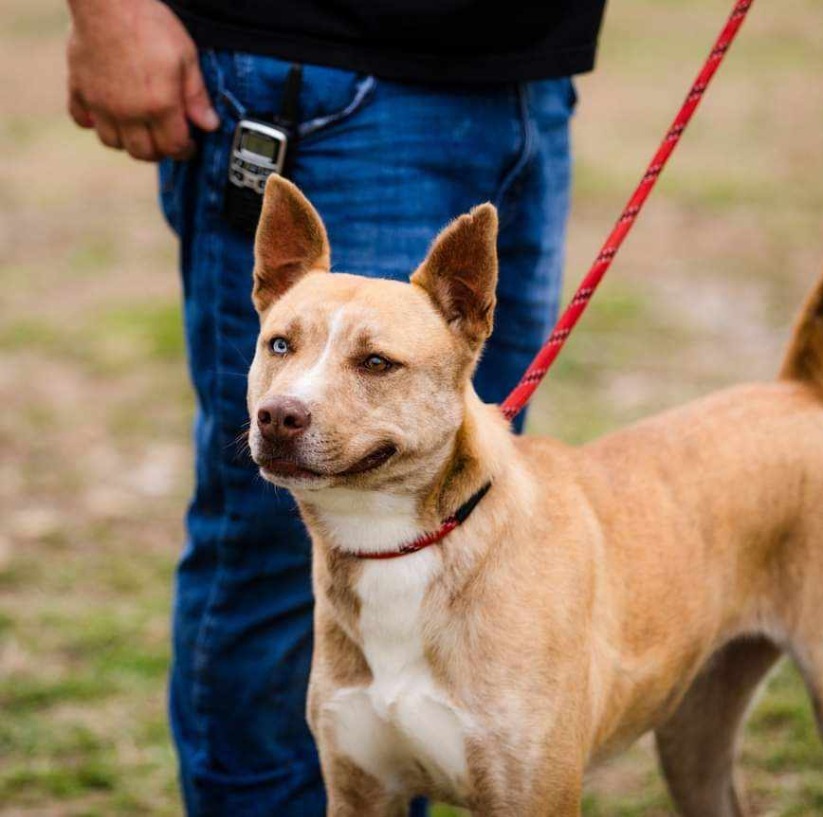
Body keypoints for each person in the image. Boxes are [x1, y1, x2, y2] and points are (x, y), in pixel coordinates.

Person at [64, 0, 607, 814]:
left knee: (467, 504)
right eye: (281, 347)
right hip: (317, 63)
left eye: (375, 363)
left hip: (533, 75)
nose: (289, 396)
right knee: (266, 556)